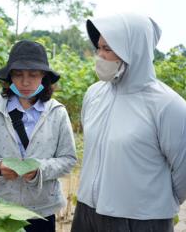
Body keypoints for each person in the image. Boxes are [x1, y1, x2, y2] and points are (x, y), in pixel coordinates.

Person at [71, 13, 186, 232]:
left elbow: (183, 172)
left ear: (133, 50)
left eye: (108, 49)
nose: (100, 56)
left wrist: (150, 201)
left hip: (140, 220)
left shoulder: (168, 105)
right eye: (99, 48)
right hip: (87, 212)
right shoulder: (94, 95)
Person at [0, 40, 77, 232]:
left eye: (33, 74)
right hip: (2, 208)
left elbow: (69, 159)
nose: (25, 82)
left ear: (43, 76)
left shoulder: (57, 113)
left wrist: (40, 170)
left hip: (42, 210)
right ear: (10, 76)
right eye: (18, 74)